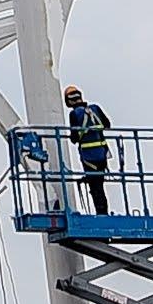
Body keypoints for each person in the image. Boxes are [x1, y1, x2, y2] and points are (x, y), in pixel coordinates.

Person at [62, 84, 114, 212]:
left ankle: (101, 213)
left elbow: (74, 138)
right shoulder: (95, 108)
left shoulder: (74, 114)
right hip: (102, 154)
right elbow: (107, 124)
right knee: (100, 185)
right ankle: (103, 212)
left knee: (95, 187)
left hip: (88, 156)